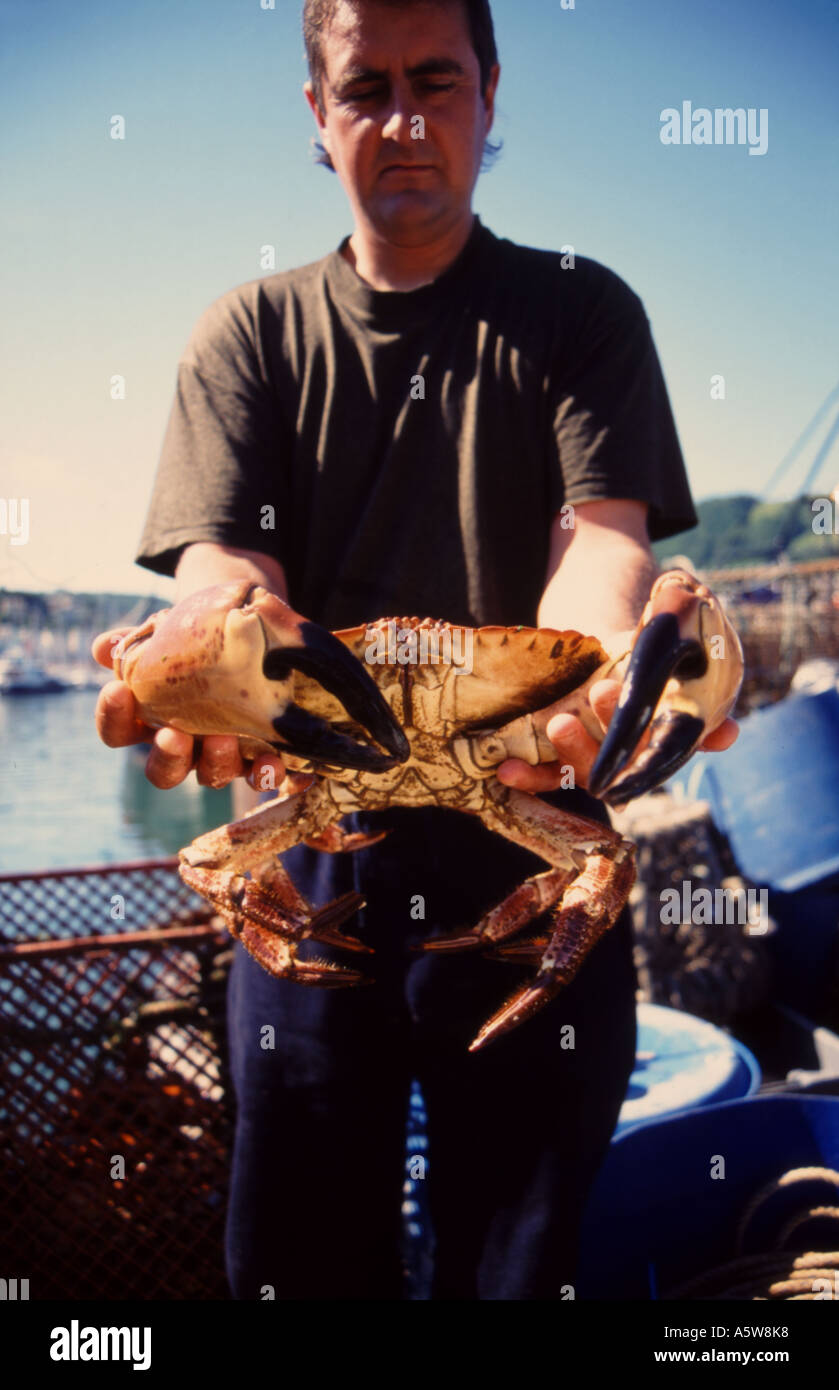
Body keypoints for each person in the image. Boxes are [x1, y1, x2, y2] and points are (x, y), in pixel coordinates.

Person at [93, 0, 737, 1300]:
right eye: (364, 85)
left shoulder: (580, 313)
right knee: (299, 1264)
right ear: (316, 112)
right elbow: (229, 568)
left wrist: (612, 654)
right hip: (316, 864)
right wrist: (205, 651)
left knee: (517, 1262)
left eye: (435, 81)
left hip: (529, 837)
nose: (401, 120)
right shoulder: (250, 337)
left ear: (491, 93)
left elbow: (603, 547)